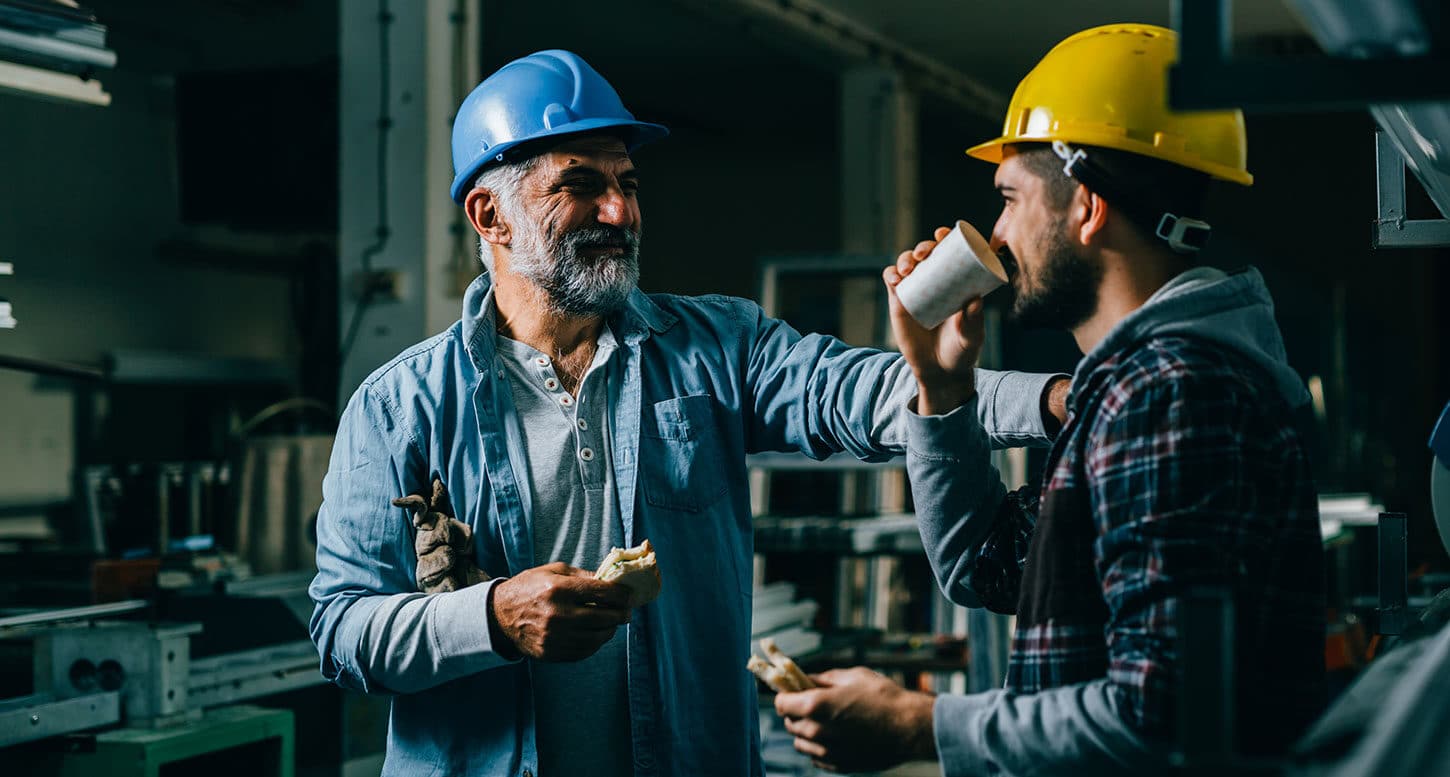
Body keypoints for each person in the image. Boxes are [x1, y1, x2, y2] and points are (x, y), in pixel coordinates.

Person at [307, 49, 1067, 777]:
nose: (620, 209)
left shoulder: (717, 346)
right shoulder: (400, 406)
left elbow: (862, 392)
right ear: (489, 214)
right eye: (579, 184)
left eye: (628, 182)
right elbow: (342, 633)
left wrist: (1058, 401)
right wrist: (494, 617)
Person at [775, 23, 1326, 775]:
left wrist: (923, 725)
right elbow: (985, 564)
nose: (997, 233)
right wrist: (943, 392)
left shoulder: (1171, 393)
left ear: (1088, 207)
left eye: (1009, 197)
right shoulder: (1133, 387)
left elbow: (1160, 714)